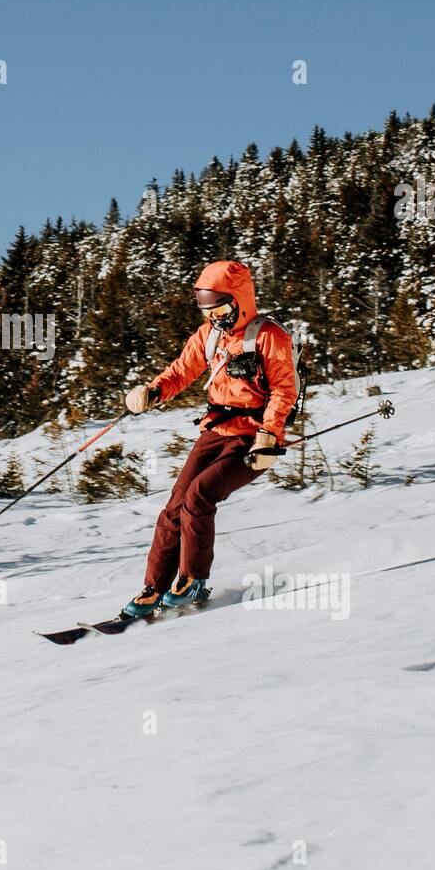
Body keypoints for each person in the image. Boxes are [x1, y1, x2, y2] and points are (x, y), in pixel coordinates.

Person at [121, 260, 298, 617]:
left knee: (199, 497)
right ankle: (153, 588)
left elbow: (283, 390)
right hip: (216, 431)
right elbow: (181, 370)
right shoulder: (210, 335)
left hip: (255, 438)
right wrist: (153, 391)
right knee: (174, 506)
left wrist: (269, 435)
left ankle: (193, 580)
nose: (214, 316)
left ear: (240, 300)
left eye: (219, 308)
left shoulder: (269, 337)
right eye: (206, 309)